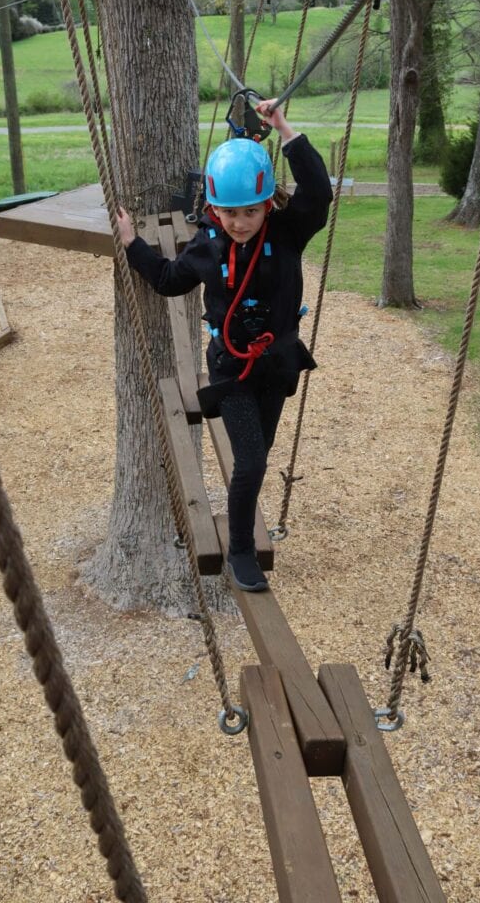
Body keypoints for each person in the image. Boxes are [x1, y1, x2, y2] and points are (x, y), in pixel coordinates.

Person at [117, 100, 332, 592]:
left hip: (276, 365)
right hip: (231, 372)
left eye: (250, 211)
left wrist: (284, 129)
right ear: (214, 208)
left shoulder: (287, 233)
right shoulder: (208, 246)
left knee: (261, 452)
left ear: (268, 203)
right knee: (251, 461)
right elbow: (170, 281)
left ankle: (242, 521)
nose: (240, 223)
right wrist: (133, 245)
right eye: (230, 213)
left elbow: (318, 194)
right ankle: (240, 551)